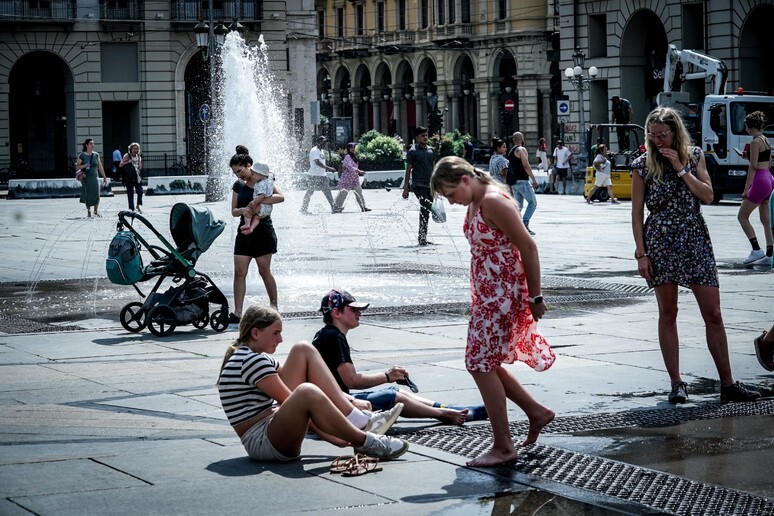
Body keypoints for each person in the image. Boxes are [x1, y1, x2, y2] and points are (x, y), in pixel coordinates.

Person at [430, 156, 556, 467]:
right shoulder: (477, 199)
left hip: (503, 294)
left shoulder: (494, 201)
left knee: (478, 362)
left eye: (450, 194)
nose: (452, 202)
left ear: (464, 180)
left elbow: (528, 246)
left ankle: (503, 445)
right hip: (488, 294)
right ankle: (536, 412)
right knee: (484, 361)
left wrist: (535, 297)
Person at [631, 106, 760, 404]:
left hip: (694, 237)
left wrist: (680, 167)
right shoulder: (641, 164)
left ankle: (727, 383)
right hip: (660, 239)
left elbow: (707, 195)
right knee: (668, 312)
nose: (657, 141)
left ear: (676, 132)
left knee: (713, 313)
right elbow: (637, 212)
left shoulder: (695, 156)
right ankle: (676, 383)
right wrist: (641, 253)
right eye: (652, 136)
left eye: (662, 135)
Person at [217, 304, 409, 462]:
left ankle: (357, 418)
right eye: (276, 333)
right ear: (256, 333)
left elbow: (303, 376)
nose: (281, 339)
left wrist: (348, 399)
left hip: (270, 432)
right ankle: (366, 440)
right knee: (306, 392)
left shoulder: (251, 357)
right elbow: (294, 401)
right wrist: (333, 438)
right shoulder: (251, 361)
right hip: (264, 443)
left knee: (303, 349)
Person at [311, 289, 488, 425]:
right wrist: (388, 376)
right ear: (336, 313)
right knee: (394, 397)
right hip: (337, 406)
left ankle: (447, 408)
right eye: (353, 309)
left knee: (398, 392)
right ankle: (446, 415)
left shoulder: (326, 334)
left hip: (335, 400)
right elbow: (352, 381)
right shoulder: (334, 337)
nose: (359, 313)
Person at [229, 146, 285, 321]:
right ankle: (237, 312)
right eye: (235, 172)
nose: (238, 175)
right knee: (239, 272)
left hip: (263, 231)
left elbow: (281, 197)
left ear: (248, 165)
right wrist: (244, 209)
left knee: (264, 271)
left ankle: (274, 306)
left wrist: (258, 201)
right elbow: (233, 211)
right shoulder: (238, 185)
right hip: (244, 232)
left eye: (240, 171)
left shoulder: (264, 181)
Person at [737, 111, 773, 265]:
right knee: (766, 219)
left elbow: (752, 167)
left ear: (750, 126)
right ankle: (770, 253)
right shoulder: (765, 140)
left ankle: (756, 250)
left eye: (746, 126)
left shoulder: (754, 142)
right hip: (769, 178)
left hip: (759, 180)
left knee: (742, 217)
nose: (745, 129)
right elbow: (768, 162)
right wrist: (747, 156)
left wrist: (747, 188)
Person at [402, 126, 436, 246]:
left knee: (426, 210)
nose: (425, 137)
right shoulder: (413, 151)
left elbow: (434, 169)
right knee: (424, 206)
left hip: (429, 185)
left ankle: (423, 237)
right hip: (418, 184)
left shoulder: (431, 150)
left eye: (426, 135)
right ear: (417, 137)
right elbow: (408, 170)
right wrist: (406, 187)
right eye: (422, 135)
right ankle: (421, 238)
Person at [507, 132, 539, 235]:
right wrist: (533, 179)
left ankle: (512, 225)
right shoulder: (521, 150)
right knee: (532, 203)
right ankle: (524, 225)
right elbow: (526, 165)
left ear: (513, 140)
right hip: (523, 181)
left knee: (518, 206)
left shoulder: (511, 152)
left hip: (515, 182)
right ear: (522, 139)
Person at [301, 136, 338, 214]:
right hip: (314, 175)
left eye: (325, 142)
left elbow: (321, 161)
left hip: (322, 175)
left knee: (327, 191)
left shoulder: (321, 151)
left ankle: (333, 207)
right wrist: (329, 168)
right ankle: (304, 208)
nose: (324, 144)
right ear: (318, 142)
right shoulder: (314, 150)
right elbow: (317, 162)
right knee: (310, 191)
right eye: (323, 142)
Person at [74, 138, 108, 218]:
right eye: (91, 144)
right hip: (86, 178)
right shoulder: (82, 155)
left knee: (97, 194)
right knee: (87, 194)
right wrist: (84, 166)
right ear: (86, 145)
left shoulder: (96, 155)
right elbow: (77, 167)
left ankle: (95, 211)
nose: (93, 145)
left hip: (95, 177)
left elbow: (100, 166)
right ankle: (89, 212)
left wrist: (104, 176)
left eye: (93, 144)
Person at [333, 142, 371, 212]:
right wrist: (359, 171)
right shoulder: (347, 156)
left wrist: (358, 172)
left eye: (354, 147)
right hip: (347, 179)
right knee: (343, 193)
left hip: (354, 178)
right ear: (348, 149)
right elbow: (349, 167)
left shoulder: (354, 156)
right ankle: (336, 207)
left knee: (359, 192)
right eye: (351, 148)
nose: (353, 149)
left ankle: (363, 207)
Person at [240, 162, 275, 235]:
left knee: (248, 212)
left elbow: (262, 196)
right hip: (268, 208)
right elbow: (271, 174)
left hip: (261, 206)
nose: (252, 176)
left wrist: (254, 202)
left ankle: (247, 224)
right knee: (257, 217)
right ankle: (251, 228)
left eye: (253, 174)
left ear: (260, 174)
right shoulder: (269, 180)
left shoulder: (261, 184)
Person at [119, 142, 144, 213]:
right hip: (128, 177)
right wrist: (128, 162)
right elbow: (120, 165)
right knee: (130, 192)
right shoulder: (127, 156)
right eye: (134, 149)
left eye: (137, 149)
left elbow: (140, 167)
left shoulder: (138, 156)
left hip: (137, 176)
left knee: (140, 191)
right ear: (131, 149)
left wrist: (139, 161)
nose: (135, 150)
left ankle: (138, 205)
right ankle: (131, 208)